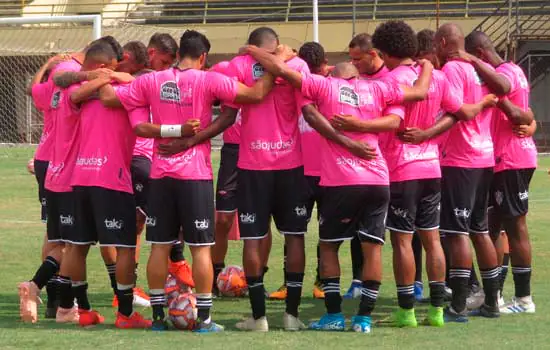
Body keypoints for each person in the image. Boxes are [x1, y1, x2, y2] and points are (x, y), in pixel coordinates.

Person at [247, 44, 434, 331]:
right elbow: (417, 96)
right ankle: (364, 318)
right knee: (373, 249)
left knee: (329, 247)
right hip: (377, 179)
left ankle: (334, 316)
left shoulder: (325, 86)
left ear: (335, 76)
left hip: (340, 181)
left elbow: (281, 70)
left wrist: (251, 49)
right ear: (357, 76)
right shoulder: (379, 89)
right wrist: (429, 67)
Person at [99, 29, 277, 332]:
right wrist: (275, 64)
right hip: (194, 174)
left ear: (180, 53)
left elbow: (109, 99)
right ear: (203, 57)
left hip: (160, 173)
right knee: (200, 248)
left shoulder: (151, 81)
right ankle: (205, 319)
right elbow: (257, 94)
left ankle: (157, 320)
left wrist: (104, 74)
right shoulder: (208, 79)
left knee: (158, 247)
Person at [368, 20, 497, 327]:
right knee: (433, 240)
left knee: (402, 242)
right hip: (432, 167)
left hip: (402, 168)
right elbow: (460, 112)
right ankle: (439, 310)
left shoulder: (391, 79)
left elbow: (387, 117)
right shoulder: (438, 77)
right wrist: (428, 134)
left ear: (385, 53)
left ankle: (407, 311)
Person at [54, 40, 152, 329]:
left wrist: (104, 76)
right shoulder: (126, 92)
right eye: (112, 66)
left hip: (80, 178)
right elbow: (120, 94)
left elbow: (67, 83)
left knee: (77, 246)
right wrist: (114, 77)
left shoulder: (79, 94)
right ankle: (125, 314)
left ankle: (84, 310)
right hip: (112, 178)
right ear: (104, 66)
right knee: (123, 247)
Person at [225, 27, 311, 332]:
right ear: (278, 45)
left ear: (252, 46)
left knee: (253, 237)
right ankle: (291, 315)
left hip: (253, 165)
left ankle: (259, 317)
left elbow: (228, 114)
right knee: (295, 236)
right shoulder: (297, 66)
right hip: (291, 164)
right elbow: (309, 112)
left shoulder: (239, 66)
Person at [431, 23, 501, 322]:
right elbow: (501, 89)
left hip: (462, 159)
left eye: (436, 43)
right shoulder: (478, 68)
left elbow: (460, 111)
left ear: (443, 42)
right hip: (484, 156)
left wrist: (426, 134)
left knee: (458, 233)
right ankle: (492, 302)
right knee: (479, 231)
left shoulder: (453, 70)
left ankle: (458, 305)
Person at [464, 31, 537, 313]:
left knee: (515, 226)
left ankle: (524, 299)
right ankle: (493, 295)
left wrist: (497, 100)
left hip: (511, 159)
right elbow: (524, 114)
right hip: (502, 158)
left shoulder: (503, 77)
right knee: (491, 226)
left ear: (480, 56)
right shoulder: (514, 70)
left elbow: (520, 114)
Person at [269, 41, 333, 301]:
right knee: (297, 231)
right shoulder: (298, 88)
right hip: (306, 169)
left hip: (321, 171)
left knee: (311, 232)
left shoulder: (332, 86)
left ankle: (313, 282)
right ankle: (305, 283)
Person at [343, 32, 390, 299]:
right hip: (362, 166)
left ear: (373, 54)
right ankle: (358, 280)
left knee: (404, 230)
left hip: (392, 163)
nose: (354, 64)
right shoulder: (354, 82)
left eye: (357, 59)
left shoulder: (390, 81)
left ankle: (417, 283)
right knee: (357, 228)